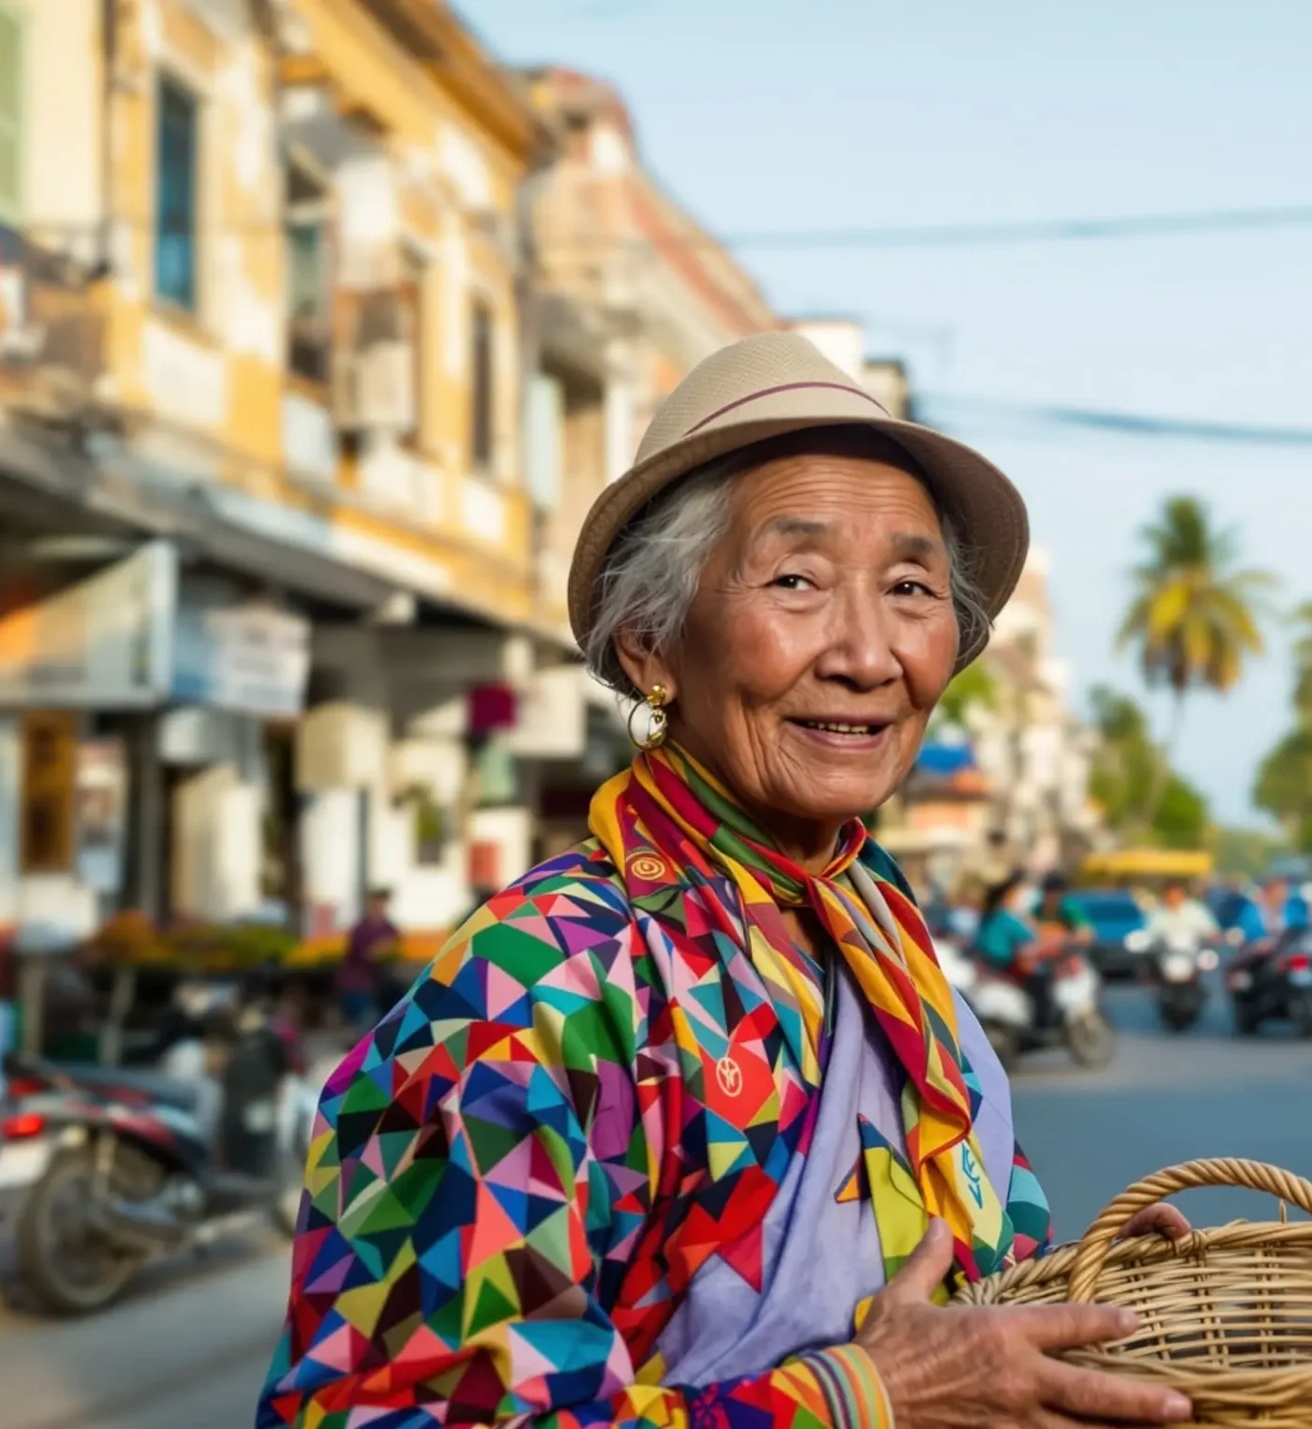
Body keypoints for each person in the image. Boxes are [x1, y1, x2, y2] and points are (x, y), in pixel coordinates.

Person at [261, 333, 1193, 1429]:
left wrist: (1064, 1301)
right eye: (795, 580)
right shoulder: (544, 986)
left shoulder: (874, 929)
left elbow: (934, 1284)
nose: (865, 651)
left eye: (908, 587)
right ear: (653, 641)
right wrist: (856, 1396)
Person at [335, 888, 397, 1030]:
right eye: (377, 904)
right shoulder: (361, 929)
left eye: (383, 904)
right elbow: (368, 954)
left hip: (377, 987)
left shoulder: (388, 927)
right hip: (357, 986)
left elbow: (397, 943)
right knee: (367, 1024)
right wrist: (384, 947)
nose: (380, 908)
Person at [1143, 879, 1223, 958]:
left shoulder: (1196, 910)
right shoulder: (1156, 913)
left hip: (1193, 953)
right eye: (1170, 894)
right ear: (1165, 895)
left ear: (1182, 894)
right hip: (1165, 954)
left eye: (1176, 894)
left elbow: (1210, 929)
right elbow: (1149, 933)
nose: (1173, 897)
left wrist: (1212, 936)